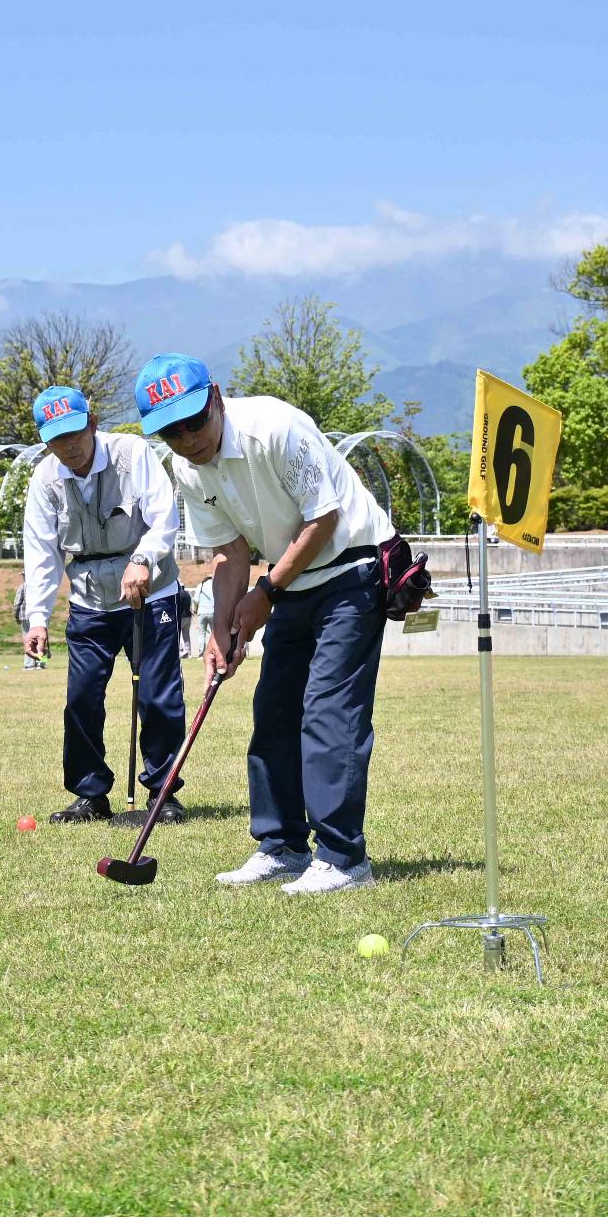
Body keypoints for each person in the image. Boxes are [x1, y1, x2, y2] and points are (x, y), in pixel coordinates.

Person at [138, 353, 394, 894]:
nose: (187, 438)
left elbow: (323, 518)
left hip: (352, 569)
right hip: (291, 580)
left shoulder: (275, 427)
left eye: (194, 420)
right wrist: (221, 627)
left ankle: (344, 858)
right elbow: (229, 549)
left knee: (328, 712)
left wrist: (266, 592)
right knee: (273, 710)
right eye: (171, 431)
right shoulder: (187, 467)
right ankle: (282, 847)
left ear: (216, 397)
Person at [23, 386, 186, 823]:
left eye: (75, 432)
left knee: (158, 696)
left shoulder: (132, 454)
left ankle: (163, 792)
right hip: (89, 600)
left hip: (151, 594)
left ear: (92, 423)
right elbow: (41, 553)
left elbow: (164, 518)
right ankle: (89, 794)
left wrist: (142, 559)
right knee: (81, 698)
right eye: (57, 439)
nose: (69, 446)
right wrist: (37, 618)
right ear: (45, 441)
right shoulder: (45, 480)